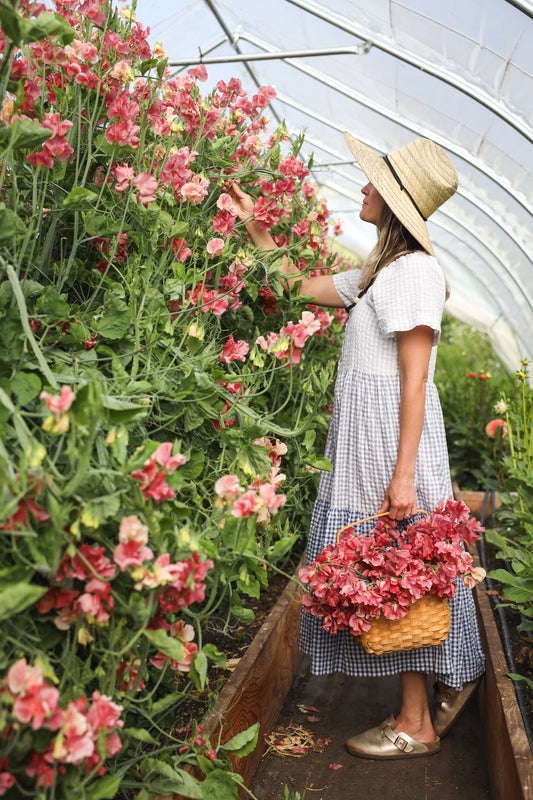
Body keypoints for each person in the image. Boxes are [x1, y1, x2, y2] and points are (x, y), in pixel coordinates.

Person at [228, 134, 485, 760]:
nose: (364, 188)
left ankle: (417, 724)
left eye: (376, 183)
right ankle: (416, 712)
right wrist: (256, 228)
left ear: (396, 205)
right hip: (369, 450)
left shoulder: (415, 272)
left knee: (401, 582)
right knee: (390, 579)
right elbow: (303, 286)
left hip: (393, 455)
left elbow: (415, 381)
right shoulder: (380, 273)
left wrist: (403, 477)